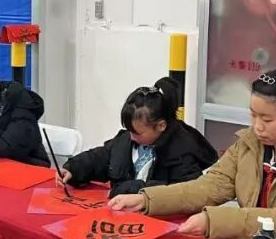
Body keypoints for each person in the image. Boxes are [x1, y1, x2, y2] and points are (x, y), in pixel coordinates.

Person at [110, 66, 276, 239]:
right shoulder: (250, 144)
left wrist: (214, 221)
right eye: (253, 115)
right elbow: (210, 186)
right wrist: (147, 200)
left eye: (267, 119)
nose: (257, 127)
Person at [61, 78, 218, 197]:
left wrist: (133, 189)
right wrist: (74, 168)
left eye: (137, 133)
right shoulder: (128, 140)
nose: (131, 137)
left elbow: (183, 193)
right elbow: (103, 156)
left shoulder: (183, 153)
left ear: (161, 126)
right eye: (129, 130)